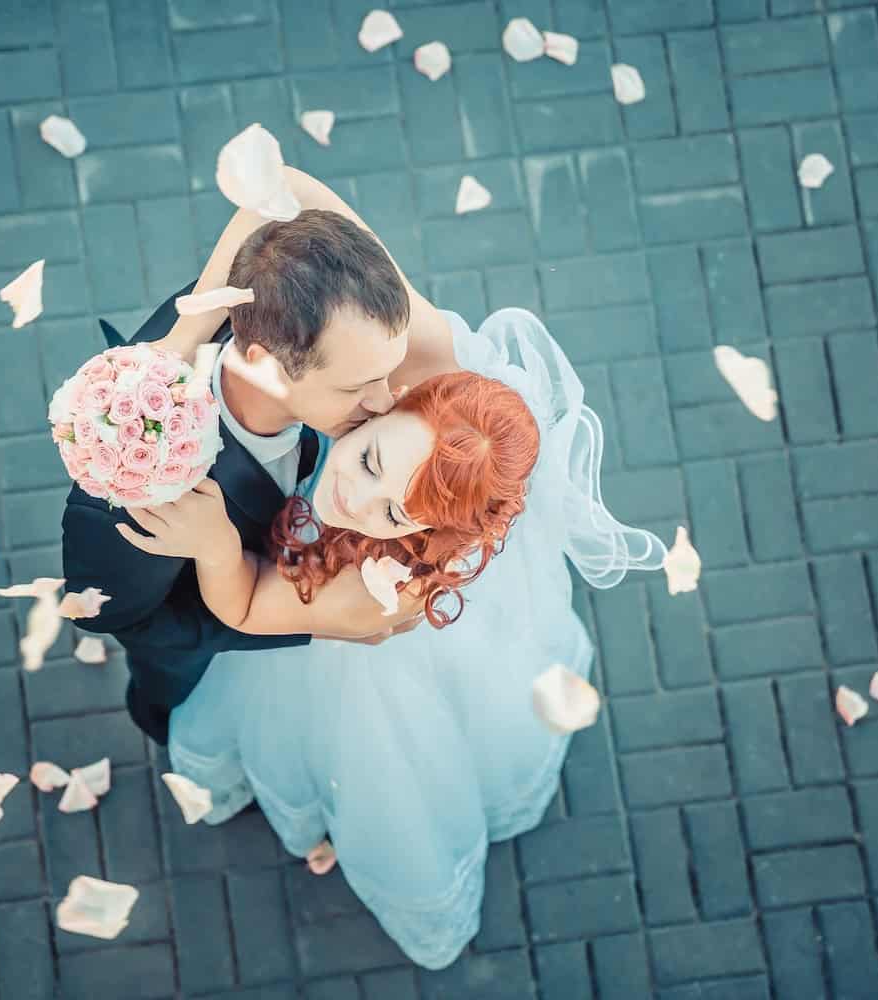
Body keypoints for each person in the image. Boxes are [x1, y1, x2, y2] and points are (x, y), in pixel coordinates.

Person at [127, 169, 667, 969]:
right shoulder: (417, 355)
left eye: (392, 511)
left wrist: (213, 543)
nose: (354, 493)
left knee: (377, 759)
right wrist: (181, 339)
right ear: (413, 396)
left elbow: (245, 609)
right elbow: (278, 182)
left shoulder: (378, 592)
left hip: (352, 651)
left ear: (424, 530)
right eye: (375, 454)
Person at [61, 207, 428, 745]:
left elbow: (275, 189)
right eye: (356, 388)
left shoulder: (269, 298)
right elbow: (118, 619)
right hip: (206, 662)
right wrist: (307, 619)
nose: (385, 402)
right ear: (263, 365)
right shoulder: (135, 486)